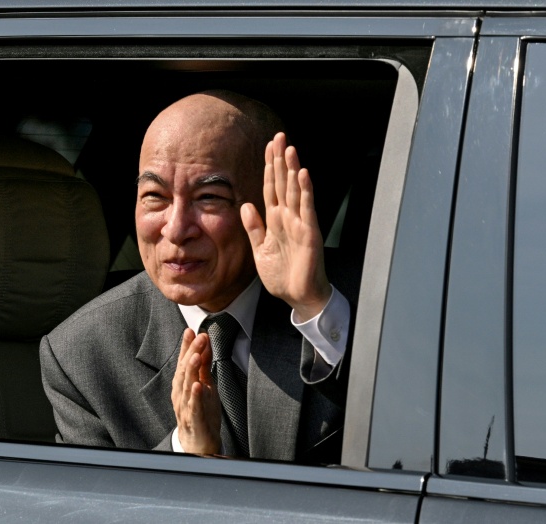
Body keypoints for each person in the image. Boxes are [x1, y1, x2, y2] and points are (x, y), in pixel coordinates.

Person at [40, 90, 353, 463]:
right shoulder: (84, 352)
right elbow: (92, 496)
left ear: (271, 202)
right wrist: (185, 452)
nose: (176, 229)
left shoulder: (369, 298)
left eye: (208, 197)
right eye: (155, 196)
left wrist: (313, 305)